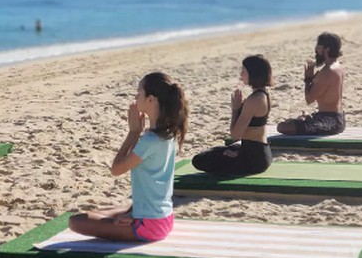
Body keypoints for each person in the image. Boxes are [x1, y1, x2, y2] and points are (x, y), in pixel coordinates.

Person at [68, 72, 188, 242]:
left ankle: (135, 214)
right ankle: (133, 211)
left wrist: (133, 133)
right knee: (98, 213)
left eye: (139, 92)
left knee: (76, 221)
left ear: (151, 100)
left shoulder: (150, 140)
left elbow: (116, 169)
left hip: (150, 225)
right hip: (163, 217)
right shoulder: (169, 134)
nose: (136, 96)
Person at [192, 55, 273, 176]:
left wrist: (235, 110)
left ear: (253, 74)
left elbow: (235, 134)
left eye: (244, 71)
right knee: (215, 151)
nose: (241, 74)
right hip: (257, 152)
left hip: (253, 159)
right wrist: (238, 148)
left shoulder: (254, 100)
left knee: (199, 160)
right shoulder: (263, 94)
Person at [277, 32, 345, 135]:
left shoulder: (327, 71)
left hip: (330, 121)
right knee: (292, 122)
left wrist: (308, 79)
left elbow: (309, 99)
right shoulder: (338, 66)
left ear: (326, 49)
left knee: (282, 127)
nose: (316, 50)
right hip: (337, 118)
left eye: (318, 47)